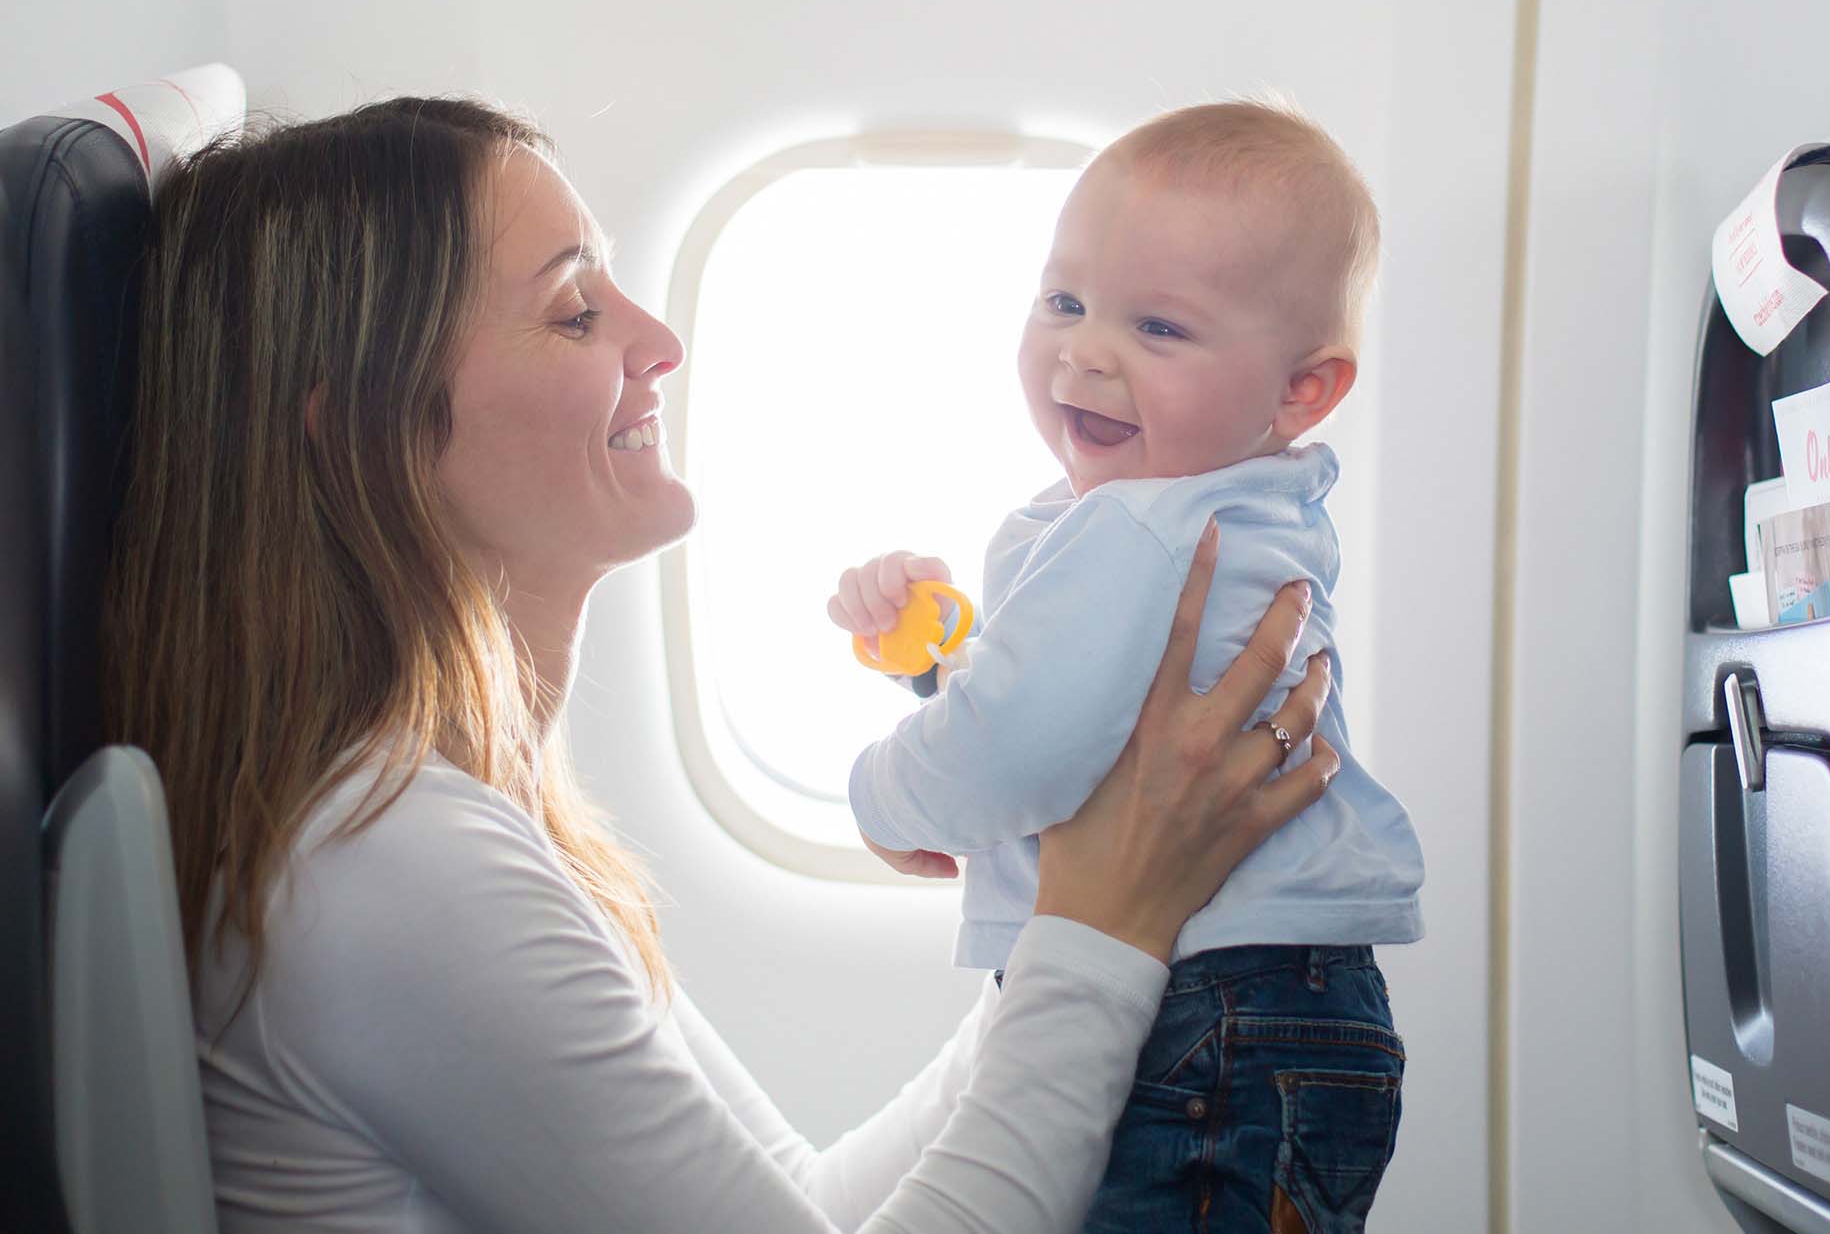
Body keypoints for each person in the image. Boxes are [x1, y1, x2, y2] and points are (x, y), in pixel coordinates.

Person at [101, 96, 1341, 1233]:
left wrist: (1099, 902)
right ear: (367, 430)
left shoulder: (475, 817)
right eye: (574, 309)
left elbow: (804, 1202)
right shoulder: (386, 865)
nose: (656, 341)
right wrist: (1100, 924)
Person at [831, 100, 1425, 1229]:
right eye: (1063, 300)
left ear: (1300, 390)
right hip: (1277, 1007)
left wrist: (881, 796)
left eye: (1157, 329)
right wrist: (938, 662)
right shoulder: (1233, 507)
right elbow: (1083, 714)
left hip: (1201, 1011)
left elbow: (1021, 750)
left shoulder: (1134, 529)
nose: (1083, 349)